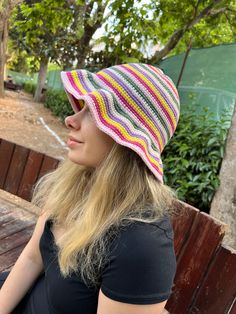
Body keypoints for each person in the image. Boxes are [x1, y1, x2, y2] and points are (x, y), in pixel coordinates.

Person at [0, 63, 180, 314]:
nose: (71, 120)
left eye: (94, 112)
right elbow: (33, 257)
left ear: (128, 137)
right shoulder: (76, 183)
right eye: (82, 106)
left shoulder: (142, 245)